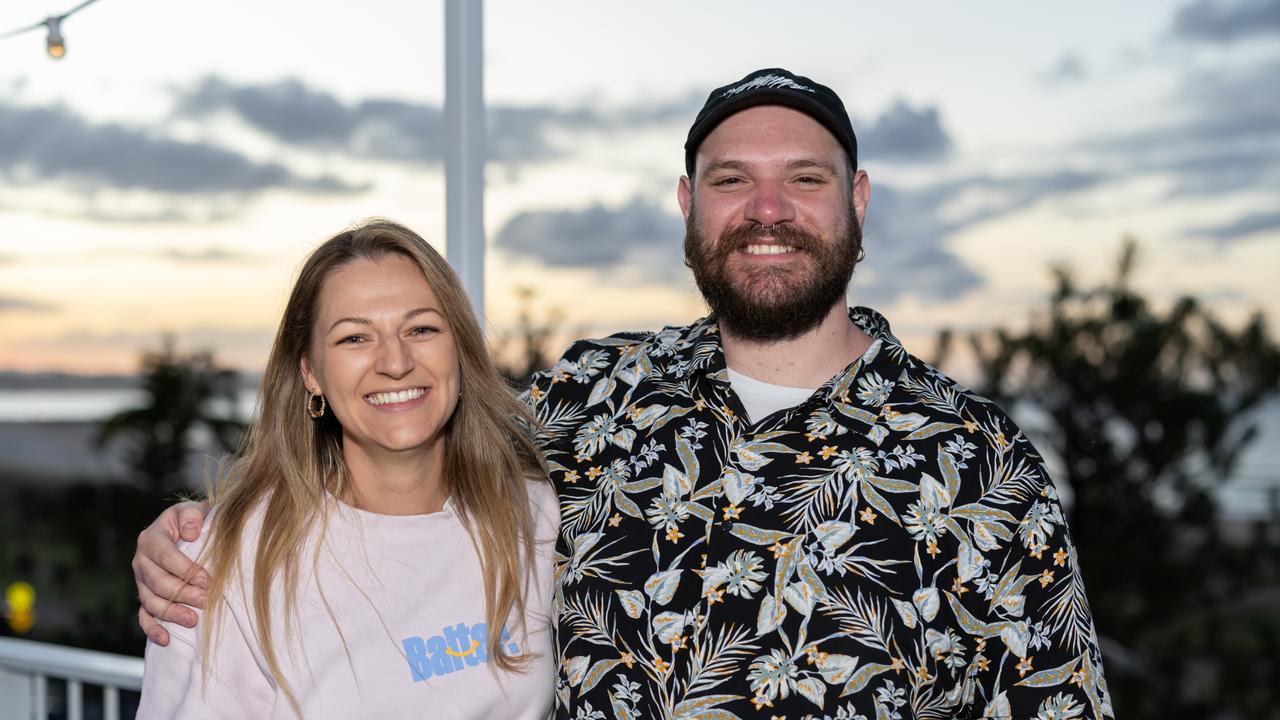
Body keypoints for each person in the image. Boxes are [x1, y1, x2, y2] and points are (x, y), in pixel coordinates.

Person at [134, 69, 1114, 719]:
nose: (766, 211)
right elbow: (407, 433)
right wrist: (198, 533)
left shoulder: (977, 464)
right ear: (688, 207)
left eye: (803, 180)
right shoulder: (596, 397)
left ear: (855, 202)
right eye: (731, 181)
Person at [135, 221, 558, 718]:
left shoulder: (536, 513)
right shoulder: (225, 559)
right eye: (355, 338)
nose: (395, 362)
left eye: (421, 328)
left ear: (460, 350)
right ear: (310, 372)